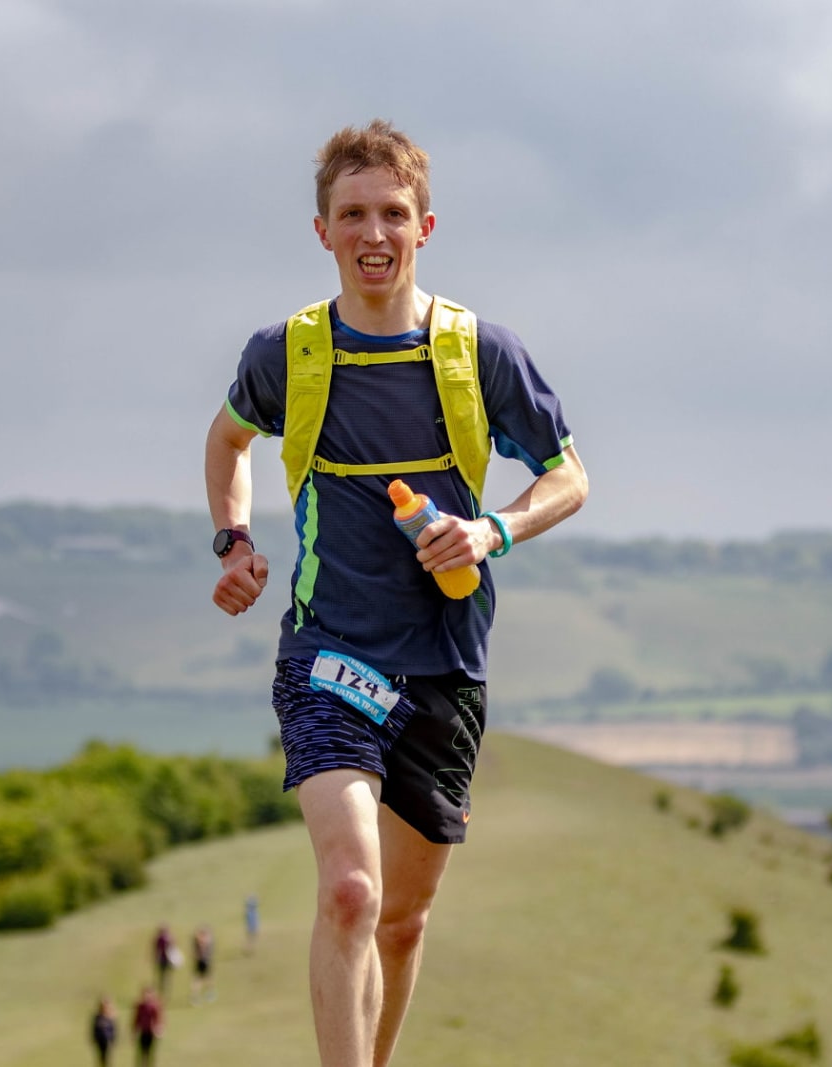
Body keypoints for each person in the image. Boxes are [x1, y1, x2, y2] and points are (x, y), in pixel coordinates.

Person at [205, 119, 588, 1067]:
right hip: (329, 651)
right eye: (352, 215)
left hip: (445, 665)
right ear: (322, 230)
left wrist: (491, 528)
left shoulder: (480, 352)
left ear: (425, 227)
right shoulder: (285, 353)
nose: (373, 233)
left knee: (405, 923)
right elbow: (227, 443)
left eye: (392, 213)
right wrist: (234, 539)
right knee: (351, 893)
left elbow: (569, 474)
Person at [131, 986, 162, 1067]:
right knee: (141, 1052)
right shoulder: (140, 1006)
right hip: (143, 1032)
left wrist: (158, 1030)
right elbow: (136, 1019)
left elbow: (158, 1019)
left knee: (150, 1053)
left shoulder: (155, 1006)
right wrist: (134, 1032)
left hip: (151, 1032)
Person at [151, 924, 178, 998]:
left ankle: (162, 992)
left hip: (164, 960)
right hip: (166, 960)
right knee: (165, 977)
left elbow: (157, 949)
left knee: (162, 977)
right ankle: (164, 992)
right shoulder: (168, 937)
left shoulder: (160, 938)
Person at [189, 925, 215, 1004]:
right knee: (206, 978)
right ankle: (209, 994)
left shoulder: (196, 941)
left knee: (198, 979)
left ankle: (196, 996)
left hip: (199, 961)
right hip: (204, 961)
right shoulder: (204, 940)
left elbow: (194, 954)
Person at [90, 995, 118, 1065]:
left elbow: (113, 1029)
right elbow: (94, 1028)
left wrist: (113, 1039)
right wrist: (94, 1038)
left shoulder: (110, 1017)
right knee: (101, 1056)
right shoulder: (97, 1017)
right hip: (99, 1040)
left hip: (108, 1040)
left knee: (107, 1057)